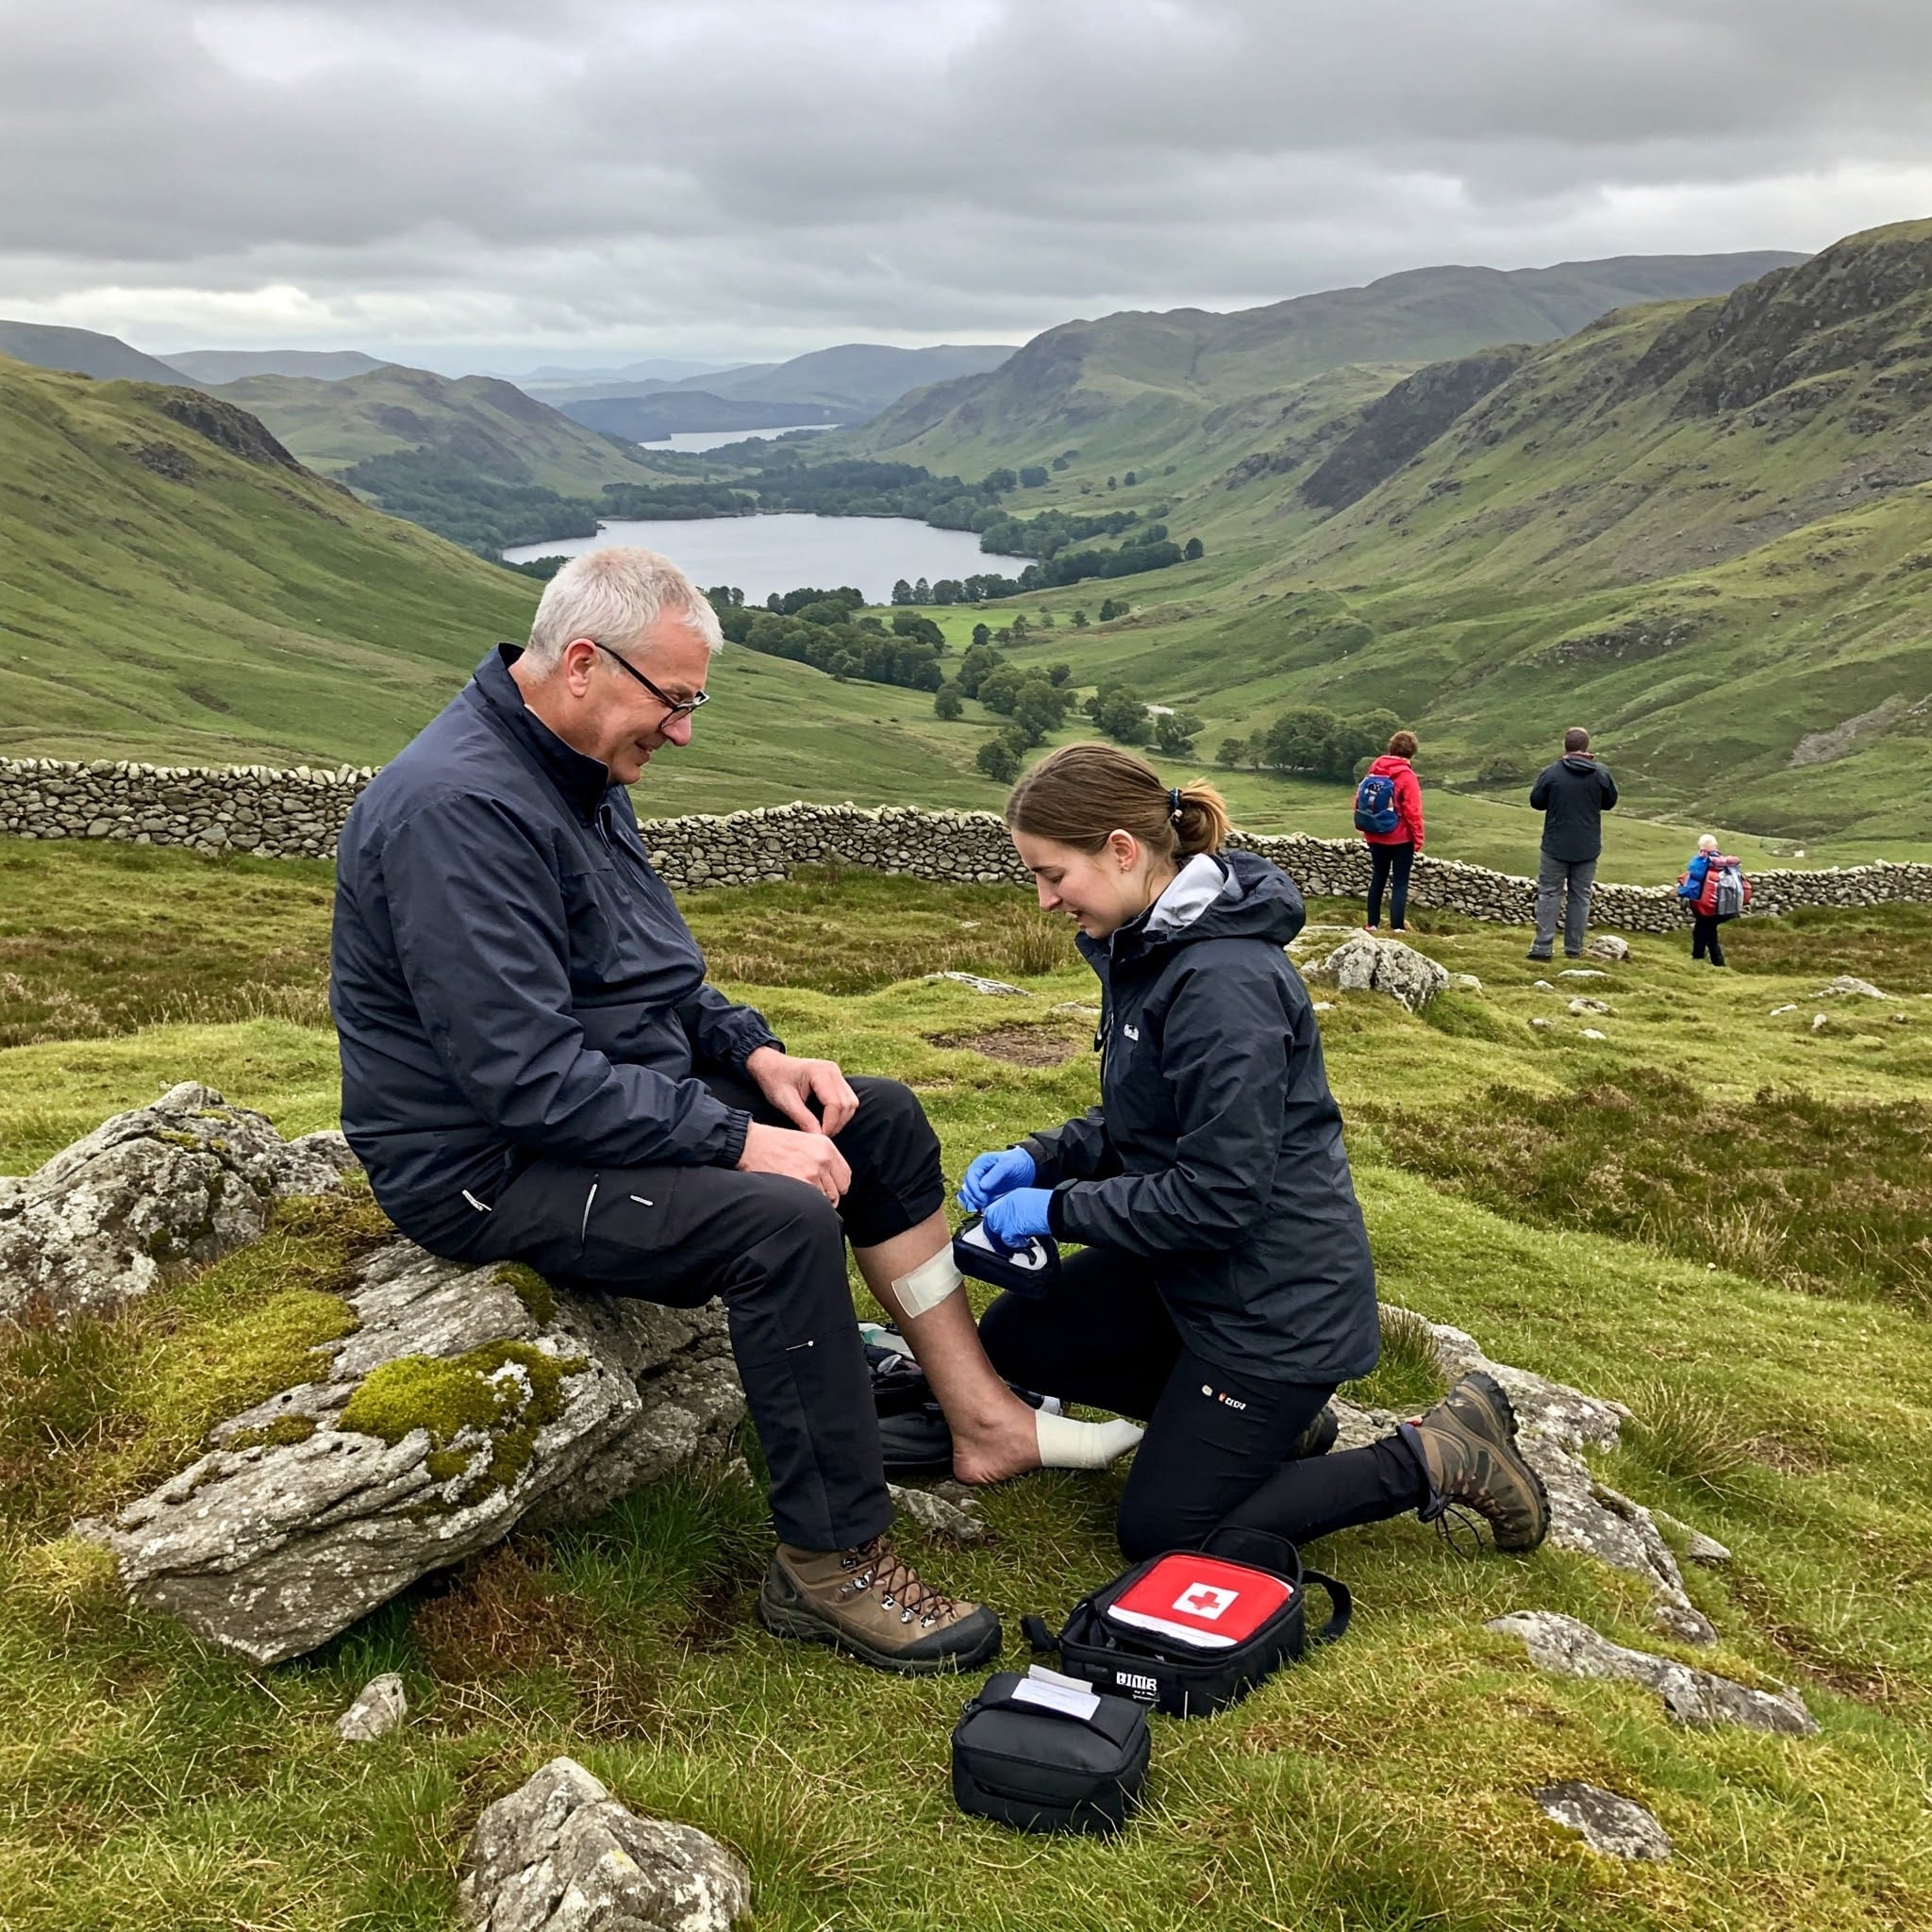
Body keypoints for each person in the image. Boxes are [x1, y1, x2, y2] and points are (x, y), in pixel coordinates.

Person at [329, 547, 1136, 1677]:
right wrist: (736, 1138)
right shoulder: (456, 810)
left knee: (880, 1122)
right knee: (778, 1215)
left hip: (595, 1106)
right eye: (675, 699)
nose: (683, 731)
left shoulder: (575, 771)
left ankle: (981, 1416)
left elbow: (652, 980)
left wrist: (755, 1054)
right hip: (490, 1163)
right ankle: (829, 1559)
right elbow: (522, 1076)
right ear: (578, 663)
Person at [959, 742, 1550, 1564]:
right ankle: (1270, 1427)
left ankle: (1438, 1453)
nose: (1045, 900)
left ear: (1122, 851)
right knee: (1020, 1338)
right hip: (1189, 1278)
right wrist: (1039, 1157)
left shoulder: (1220, 981)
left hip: (1273, 1307)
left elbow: (1219, 1195)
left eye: (1054, 874)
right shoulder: (1152, 946)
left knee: (1166, 1533)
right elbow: (1147, 1116)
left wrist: (1057, 1210)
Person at [1527, 726, 1618, 960]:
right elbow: (1610, 802)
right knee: (1580, 896)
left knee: (1549, 893)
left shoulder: (1552, 772)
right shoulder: (1600, 774)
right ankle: (1574, 949)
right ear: (1586, 747)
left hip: (1555, 844)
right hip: (1587, 846)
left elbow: (1536, 802)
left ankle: (1542, 947)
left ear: (1565, 746)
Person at [1358, 728, 1424, 933]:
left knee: (1378, 877)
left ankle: (1372, 924)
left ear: (1391, 747)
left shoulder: (1374, 769)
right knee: (1400, 882)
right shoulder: (1407, 775)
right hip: (1400, 837)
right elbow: (1412, 810)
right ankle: (1397, 927)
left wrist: (1366, 826)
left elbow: (1360, 799)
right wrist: (1418, 838)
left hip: (1375, 833)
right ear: (1412, 752)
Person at [1677, 833, 1731, 966]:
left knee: (1706, 935)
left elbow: (1694, 875)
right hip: (1720, 905)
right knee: (1705, 932)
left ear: (1701, 846)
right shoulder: (1722, 862)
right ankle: (1703, 960)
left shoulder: (1701, 861)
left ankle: (1710, 962)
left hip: (1704, 906)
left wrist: (1681, 892)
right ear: (1715, 846)